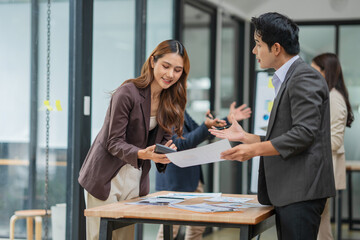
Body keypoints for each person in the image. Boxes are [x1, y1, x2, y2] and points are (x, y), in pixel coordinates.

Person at [209, 12, 336, 240]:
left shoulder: (303, 77)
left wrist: (254, 150)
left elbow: (304, 134)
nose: (254, 51)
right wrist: (250, 138)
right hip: (291, 191)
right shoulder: (289, 77)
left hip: (301, 191)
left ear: (276, 48)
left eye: (258, 45)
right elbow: (289, 133)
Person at [78, 39, 190, 240]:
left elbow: (164, 140)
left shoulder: (170, 101)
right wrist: (143, 153)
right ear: (153, 62)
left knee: (124, 237)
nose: (170, 74)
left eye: (177, 70)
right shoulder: (127, 93)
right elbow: (113, 141)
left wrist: (166, 153)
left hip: (135, 177)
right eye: (166, 66)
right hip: (106, 175)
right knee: (100, 236)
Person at [155, 102, 251, 240]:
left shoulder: (181, 110)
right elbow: (179, 144)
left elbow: (200, 133)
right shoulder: (165, 110)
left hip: (193, 178)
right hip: (176, 182)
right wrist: (205, 126)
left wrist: (228, 119)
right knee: (170, 229)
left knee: (197, 226)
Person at [311, 53, 354, 240]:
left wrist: (304, 143)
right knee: (321, 220)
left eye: (314, 71)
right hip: (321, 167)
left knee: (321, 221)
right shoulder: (327, 95)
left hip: (324, 168)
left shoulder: (334, 98)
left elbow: (335, 141)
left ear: (325, 72)